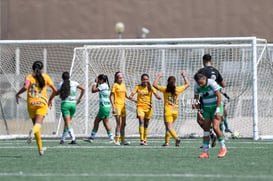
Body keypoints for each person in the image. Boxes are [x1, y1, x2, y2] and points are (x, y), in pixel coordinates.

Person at [15, 61, 57, 156]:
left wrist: (17, 94)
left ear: (32, 68)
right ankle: (32, 132)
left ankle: (40, 149)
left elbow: (26, 87)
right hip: (42, 103)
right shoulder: (46, 77)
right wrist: (50, 99)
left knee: (36, 125)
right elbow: (55, 90)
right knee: (37, 125)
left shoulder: (29, 77)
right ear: (42, 68)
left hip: (31, 103)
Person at [197, 54, 232, 147]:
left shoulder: (201, 71)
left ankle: (211, 138)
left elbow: (199, 85)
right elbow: (223, 84)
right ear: (211, 60)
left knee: (201, 120)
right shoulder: (216, 71)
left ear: (203, 60)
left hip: (205, 99)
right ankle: (219, 138)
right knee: (218, 118)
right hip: (217, 98)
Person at [193, 72, 227, 158]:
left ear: (205, 78)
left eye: (201, 83)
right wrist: (199, 112)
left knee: (215, 127)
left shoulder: (212, 83)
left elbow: (219, 96)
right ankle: (205, 152)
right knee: (206, 130)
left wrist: (218, 110)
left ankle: (223, 148)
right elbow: (196, 100)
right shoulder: (197, 87)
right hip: (206, 109)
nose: (200, 85)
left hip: (216, 107)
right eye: (198, 83)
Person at [153, 71, 189, 147]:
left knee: (169, 128)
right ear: (174, 82)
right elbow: (188, 84)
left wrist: (158, 76)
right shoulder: (177, 89)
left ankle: (177, 138)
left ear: (168, 82)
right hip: (175, 111)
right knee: (169, 127)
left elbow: (154, 85)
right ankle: (166, 142)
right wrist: (184, 76)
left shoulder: (165, 89)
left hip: (168, 111)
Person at [129, 74, 161, 146]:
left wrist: (158, 97)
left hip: (148, 108)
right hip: (140, 107)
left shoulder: (150, 87)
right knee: (141, 121)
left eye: (147, 79)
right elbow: (131, 96)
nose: (145, 81)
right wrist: (134, 100)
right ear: (141, 80)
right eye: (144, 79)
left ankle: (145, 140)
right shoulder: (138, 87)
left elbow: (156, 94)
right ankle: (142, 139)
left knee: (146, 124)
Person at [56, 71, 85, 144]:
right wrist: (79, 99)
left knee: (67, 123)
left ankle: (73, 138)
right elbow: (83, 89)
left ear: (62, 77)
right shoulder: (74, 83)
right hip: (73, 105)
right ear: (69, 77)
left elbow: (56, 93)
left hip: (65, 104)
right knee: (67, 122)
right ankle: (63, 139)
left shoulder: (60, 84)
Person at [86, 74, 114, 143]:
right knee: (105, 123)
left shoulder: (103, 85)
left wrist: (95, 82)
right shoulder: (106, 85)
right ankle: (111, 137)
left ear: (101, 80)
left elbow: (93, 90)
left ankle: (92, 138)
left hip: (104, 107)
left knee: (97, 121)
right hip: (107, 107)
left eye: (98, 79)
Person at [110, 71, 131, 146]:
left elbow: (126, 96)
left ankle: (122, 140)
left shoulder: (124, 85)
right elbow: (111, 96)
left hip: (123, 107)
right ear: (116, 78)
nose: (121, 79)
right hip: (117, 106)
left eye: (122, 78)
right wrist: (113, 107)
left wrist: (134, 100)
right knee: (119, 123)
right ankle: (117, 140)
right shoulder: (115, 85)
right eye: (119, 78)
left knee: (123, 124)